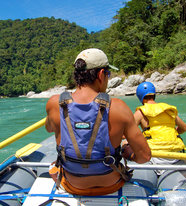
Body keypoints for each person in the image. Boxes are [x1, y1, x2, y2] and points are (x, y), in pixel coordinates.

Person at [45, 48, 151, 196]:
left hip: (72, 184)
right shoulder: (119, 107)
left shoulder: (54, 104)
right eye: (108, 74)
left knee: (53, 166)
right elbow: (144, 157)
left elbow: (49, 129)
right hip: (111, 184)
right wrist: (129, 154)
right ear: (101, 75)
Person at [134, 81, 186, 175]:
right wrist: (173, 132)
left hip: (155, 156)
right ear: (154, 95)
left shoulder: (141, 112)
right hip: (176, 155)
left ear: (140, 97)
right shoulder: (168, 110)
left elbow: (126, 133)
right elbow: (184, 128)